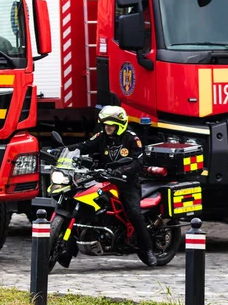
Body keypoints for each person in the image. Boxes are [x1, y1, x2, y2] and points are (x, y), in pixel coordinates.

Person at [65, 105, 158, 267]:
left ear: (120, 125)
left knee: (134, 213)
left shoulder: (132, 138)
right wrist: (62, 151)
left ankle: (148, 249)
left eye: (111, 125)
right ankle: (67, 251)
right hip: (103, 179)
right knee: (82, 208)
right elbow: (84, 146)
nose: (108, 127)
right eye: (106, 124)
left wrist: (121, 171)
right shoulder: (101, 136)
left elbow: (138, 162)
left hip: (127, 183)